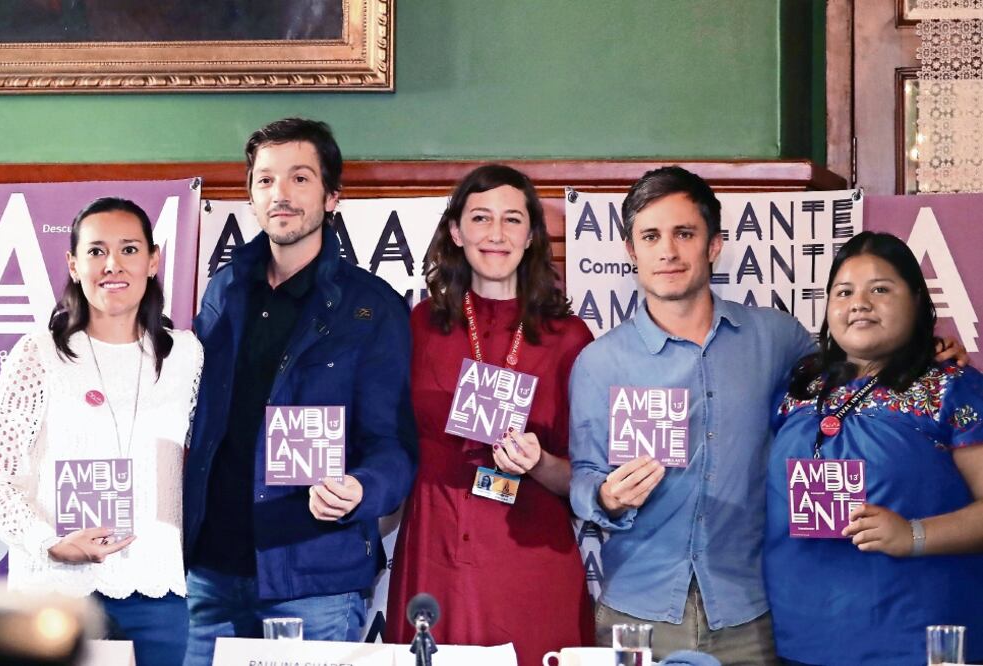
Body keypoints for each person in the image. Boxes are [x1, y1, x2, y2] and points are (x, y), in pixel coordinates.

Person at [183, 117, 416, 665]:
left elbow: (392, 443)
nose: (280, 195)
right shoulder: (224, 287)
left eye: (299, 178)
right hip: (208, 573)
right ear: (250, 195)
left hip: (314, 579)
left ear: (332, 196)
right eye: (265, 181)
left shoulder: (372, 307)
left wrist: (361, 489)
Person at [568, 167, 814, 665]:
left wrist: (929, 352)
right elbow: (583, 476)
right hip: (638, 612)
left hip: (748, 611)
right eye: (651, 236)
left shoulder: (778, 339)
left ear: (714, 245)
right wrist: (606, 497)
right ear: (631, 251)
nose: (668, 252)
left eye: (685, 233)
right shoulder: (600, 362)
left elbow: (854, 381)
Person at [385, 164, 594, 666]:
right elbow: (387, 439)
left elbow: (586, 479)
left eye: (512, 220)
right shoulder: (419, 326)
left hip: (529, 560)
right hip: (434, 554)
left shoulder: (570, 339)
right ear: (456, 232)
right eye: (480, 218)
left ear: (531, 236)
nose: (496, 234)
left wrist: (538, 461)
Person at [0, 197, 203, 665]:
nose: (112, 265)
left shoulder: (186, 356)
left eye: (128, 249)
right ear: (73, 264)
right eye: (96, 251)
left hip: (157, 592)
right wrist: (49, 542)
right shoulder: (38, 354)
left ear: (153, 259)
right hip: (56, 595)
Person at [764, 231, 983, 666]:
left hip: (914, 642)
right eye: (844, 292)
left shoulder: (951, 386)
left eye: (880, 289)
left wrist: (913, 535)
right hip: (798, 638)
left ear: (918, 301)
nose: (859, 303)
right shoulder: (800, 382)